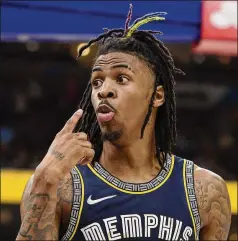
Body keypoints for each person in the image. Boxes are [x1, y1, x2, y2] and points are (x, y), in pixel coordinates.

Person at [16, 6, 231, 241]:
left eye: (121, 78)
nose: (104, 90)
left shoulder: (204, 190)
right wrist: (45, 179)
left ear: (157, 96)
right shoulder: (59, 185)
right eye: (97, 82)